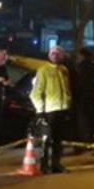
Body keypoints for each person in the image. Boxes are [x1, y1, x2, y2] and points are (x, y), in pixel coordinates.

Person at [29, 46, 72, 174]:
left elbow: (67, 90)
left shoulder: (64, 70)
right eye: (53, 53)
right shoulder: (43, 70)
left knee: (59, 140)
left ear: (63, 56)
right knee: (47, 140)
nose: (55, 55)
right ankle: (44, 165)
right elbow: (36, 93)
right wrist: (40, 111)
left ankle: (56, 164)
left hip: (62, 109)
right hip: (49, 111)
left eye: (58, 53)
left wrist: (69, 106)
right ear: (49, 55)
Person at [73, 48, 94, 152]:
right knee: (92, 122)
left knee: (82, 123)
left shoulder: (78, 68)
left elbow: (74, 84)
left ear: (82, 56)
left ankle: (81, 145)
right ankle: (91, 141)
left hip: (81, 99)